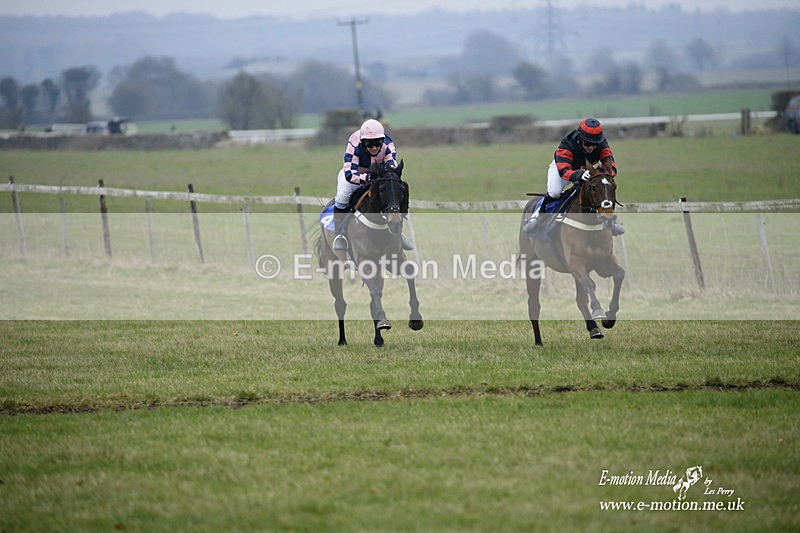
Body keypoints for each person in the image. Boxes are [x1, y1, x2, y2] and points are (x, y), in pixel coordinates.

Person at [523, 117, 624, 236]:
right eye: (587, 144)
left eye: (595, 145)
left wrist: (605, 175)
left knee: (602, 188)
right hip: (563, 168)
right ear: (580, 139)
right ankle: (538, 218)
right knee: (554, 192)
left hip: (587, 169)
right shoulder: (567, 143)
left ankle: (610, 222)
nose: (591, 148)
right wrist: (579, 174)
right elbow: (564, 171)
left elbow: (610, 164)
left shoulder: (602, 143)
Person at [332, 118, 414, 251]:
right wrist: (368, 178)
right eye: (369, 144)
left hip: (379, 175)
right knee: (342, 196)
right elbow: (349, 174)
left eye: (377, 143)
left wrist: (384, 178)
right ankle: (339, 234)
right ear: (363, 142)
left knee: (393, 194)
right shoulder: (354, 143)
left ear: (382, 140)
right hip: (355, 175)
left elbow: (391, 167)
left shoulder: (388, 144)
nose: (374, 147)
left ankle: (398, 232)